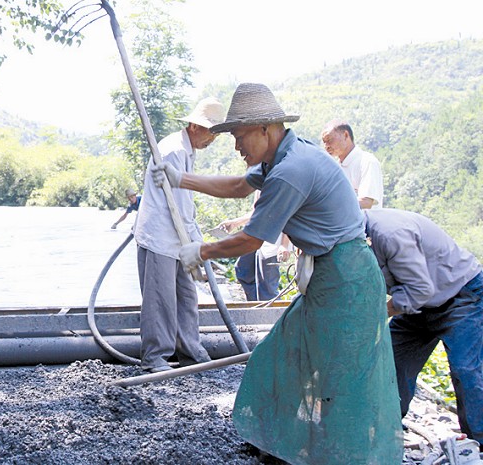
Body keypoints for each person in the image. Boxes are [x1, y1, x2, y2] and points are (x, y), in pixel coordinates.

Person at [152, 83, 402, 464]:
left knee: (341, 376)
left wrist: (200, 251)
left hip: (347, 281)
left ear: (265, 129)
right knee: (281, 354)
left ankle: (344, 454)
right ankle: (282, 442)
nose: (237, 147)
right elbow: (238, 186)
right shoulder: (278, 159)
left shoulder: (291, 170)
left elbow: (252, 239)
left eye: (238, 137)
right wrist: (180, 178)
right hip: (327, 276)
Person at [364, 208, 483, 443]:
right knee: (391, 361)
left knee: (466, 370)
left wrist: (379, 313)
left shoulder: (389, 234)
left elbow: (419, 290)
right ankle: (383, 433)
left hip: (460, 297)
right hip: (418, 304)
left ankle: (478, 442)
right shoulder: (356, 240)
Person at [132, 97, 226, 373]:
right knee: (161, 299)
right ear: (195, 126)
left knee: (186, 296)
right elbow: (180, 205)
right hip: (161, 236)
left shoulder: (187, 150)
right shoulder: (173, 151)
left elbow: (186, 207)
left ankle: (190, 351)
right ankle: (155, 357)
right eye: (212, 132)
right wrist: (199, 247)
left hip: (178, 238)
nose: (213, 140)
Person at [219, 191, 292, 301]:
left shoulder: (284, 180)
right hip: (257, 234)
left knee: (267, 287)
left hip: (274, 239)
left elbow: (289, 213)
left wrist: (284, 245)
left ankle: (270, 314)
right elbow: (256, 212)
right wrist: (234, 223)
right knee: (244, 270)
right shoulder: (260, 182)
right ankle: (256, 308)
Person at [321, 119, 384, 209]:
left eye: (330, 140)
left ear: (345, 135)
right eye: (324, 142)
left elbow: (366, 202)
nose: (327, 146)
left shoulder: (367, 162)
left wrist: (332, 207)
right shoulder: (335, 168)